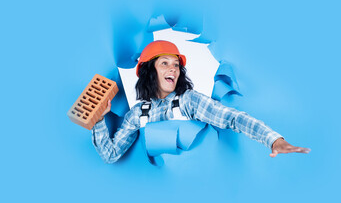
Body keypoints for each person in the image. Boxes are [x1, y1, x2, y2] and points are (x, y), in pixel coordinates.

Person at [91, 40, 310, 164]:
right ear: (149, 72)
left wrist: (272, 139)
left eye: (176, 65)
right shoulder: (137, 114)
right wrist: (99, 119)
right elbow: (111, 155)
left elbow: (231, 118)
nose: (172, 69)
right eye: (164, 63)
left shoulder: (189, 101)